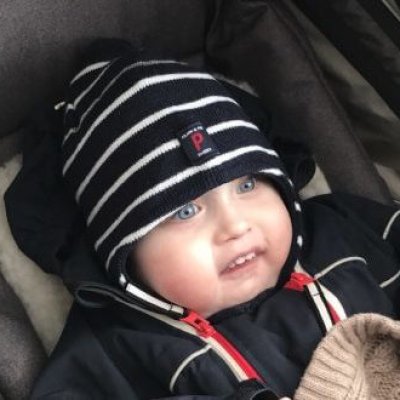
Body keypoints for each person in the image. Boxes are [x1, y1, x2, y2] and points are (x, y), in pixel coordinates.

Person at [26, 41, 400, 399]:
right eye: (185, 211)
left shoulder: (340, 231)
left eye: (247, 185)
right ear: (125, 249)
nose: (236, 226)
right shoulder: (114, 342)